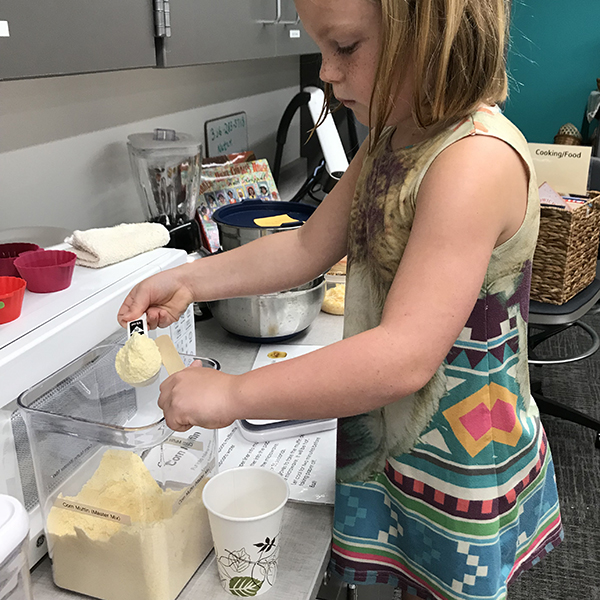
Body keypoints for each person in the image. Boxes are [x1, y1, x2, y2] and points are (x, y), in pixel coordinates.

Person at [118, 0, 563, 597]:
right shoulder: (390, 137)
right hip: (387, 443)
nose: (326, 71)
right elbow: (304, 245)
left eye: (346, 48)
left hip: (455, 464)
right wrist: (193, 279)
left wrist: (234, 392)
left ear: (432, 33)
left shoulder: (472, 160)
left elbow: (406, 354)